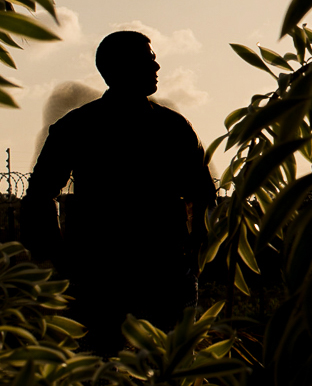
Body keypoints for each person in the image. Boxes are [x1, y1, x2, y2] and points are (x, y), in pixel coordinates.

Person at [21, 31, 217, 354]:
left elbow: (203, 195)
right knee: (157, 363)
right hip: (117, 275)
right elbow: (40, 196)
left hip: (138, 272)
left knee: (119, 363)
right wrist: (62, 258)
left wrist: (194, 257)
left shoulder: (79, 126)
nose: (156, 66)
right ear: (119, 68)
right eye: (147, 60)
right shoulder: (171, 127)